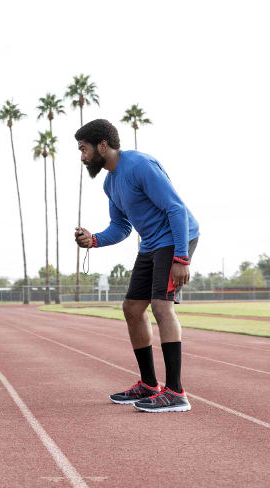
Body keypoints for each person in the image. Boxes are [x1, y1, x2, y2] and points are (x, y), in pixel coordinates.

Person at [74, 119, 199, 413]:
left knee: (161, 306)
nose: (82, 157)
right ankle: (149, 384)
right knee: (132, 308)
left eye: (84, 149)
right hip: (151, 244)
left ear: (102, 145)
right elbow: (121, 227)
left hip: (175, 238)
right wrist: (94, 240)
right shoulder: (110, 182)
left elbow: (176, 209)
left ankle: (176, 392)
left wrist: (181, 258)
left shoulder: (139, 165)